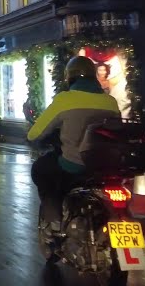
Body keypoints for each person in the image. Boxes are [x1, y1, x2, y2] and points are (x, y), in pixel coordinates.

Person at [27, 56, 121, 227]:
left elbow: (35, 134)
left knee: (41, 169)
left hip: (74, 165)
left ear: (70, 77)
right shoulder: (110, 102)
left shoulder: (65, 99)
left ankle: (54, 222)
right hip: (106, 167)